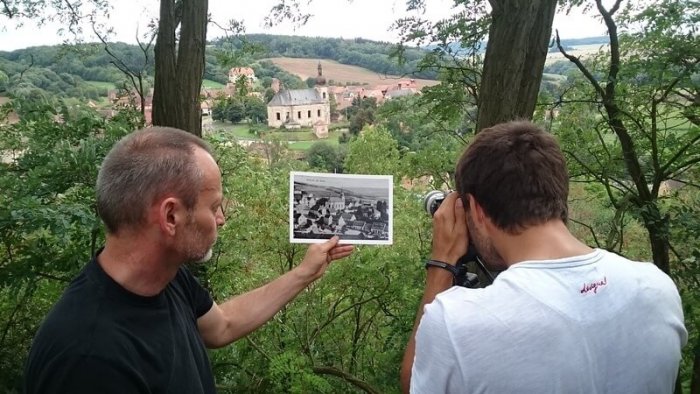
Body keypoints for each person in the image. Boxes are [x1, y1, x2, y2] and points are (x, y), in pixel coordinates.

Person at [24, 127, 354, 393]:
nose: (222, 218)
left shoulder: (165, 278)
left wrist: (304, 273)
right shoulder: (89, 359)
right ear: (171, 216)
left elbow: (221, 325)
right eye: (213, 207)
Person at [400, 121, 687, 393]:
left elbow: (414, 384)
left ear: (474, 209)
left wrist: (442, 263)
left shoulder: (458, 323)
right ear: (558, 190)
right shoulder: (657, 289)